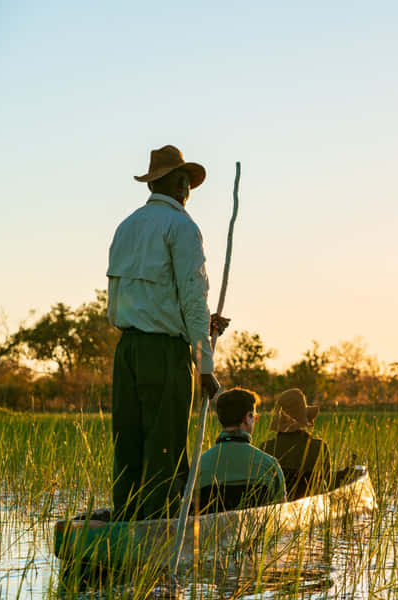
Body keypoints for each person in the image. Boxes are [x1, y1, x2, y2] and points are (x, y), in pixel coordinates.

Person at [107, 144, 229, 520]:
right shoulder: (183, 227)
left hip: (127, 349)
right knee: (165, 444)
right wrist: (205, 366)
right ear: (178, 185)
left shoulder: (126, 227)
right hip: (165, 353)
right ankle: (156, 527)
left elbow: (131, 297)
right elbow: (194, 298)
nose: (188, 189)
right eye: (186, 181)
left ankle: (127, 516)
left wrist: (192, 327)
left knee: (128, 439)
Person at [196, 388, 286, 510]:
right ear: (247, 418)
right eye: (254, 416)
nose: (255, 420)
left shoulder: (199, 465)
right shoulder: (269, 465)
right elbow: (281, 512)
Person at [260, 388, 332, 499]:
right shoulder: (318, 447)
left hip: (275, 512)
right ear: (305, 417)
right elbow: (328, 485)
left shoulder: (265, 449)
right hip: (311, 510)